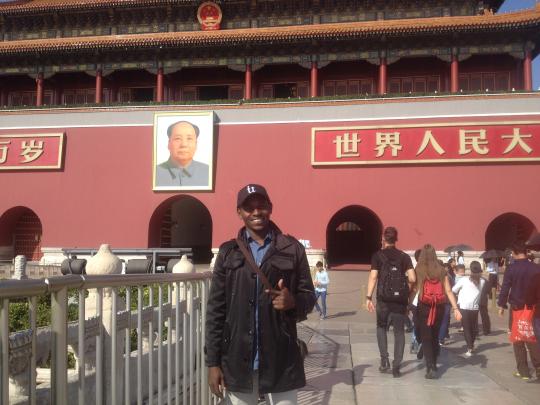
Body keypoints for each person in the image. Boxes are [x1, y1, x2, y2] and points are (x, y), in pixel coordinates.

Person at [205, 184, 316, 404]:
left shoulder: (292, 248)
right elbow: (216, 311)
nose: (256, 212)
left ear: (270, 208)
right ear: (239, 212)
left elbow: (309, 296)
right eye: (249, 207)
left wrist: (293, 302)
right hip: (237, 357)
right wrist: (213, 363)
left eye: (261, 206)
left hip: (281, 357)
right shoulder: (228, 252)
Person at [366, 226, 416, 378]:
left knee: (381, 328)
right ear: (396, 239)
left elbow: (373, 277)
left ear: (383, 239)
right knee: (399, 332)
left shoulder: (377, 256)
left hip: (383, 300)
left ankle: (384, 360)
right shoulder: (404, 257)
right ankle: (396, 367)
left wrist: (368, 297)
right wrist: (405, 290)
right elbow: (413, 278)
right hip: (400, 301)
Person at [414, 244, 461, 379]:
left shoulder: (419, 269)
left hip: (424, 305)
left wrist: (407, 304)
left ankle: (430, 366)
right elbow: (448, 291)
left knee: (426, 337)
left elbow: (414, 288)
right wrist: (456, 308)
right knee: (434, 336)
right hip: (439, 306)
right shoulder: (441, 270)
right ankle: (434, 363)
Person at [497, 241, 540, 381]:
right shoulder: (536, 267)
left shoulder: (511, 268)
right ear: (526, 252)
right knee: (532, 336)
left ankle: (524, 371)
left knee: (518, 338)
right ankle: (538, 367)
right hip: (533, 308)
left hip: (517, 308)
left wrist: (501, 305)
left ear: (514, 253)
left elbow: (505, 287)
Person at [155, 120, 210, 187]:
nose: (184, 145)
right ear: (169, 144)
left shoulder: (208, 172)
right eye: (178, 138)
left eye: (189, 139)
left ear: (196, 144)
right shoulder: (155, 173)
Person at [452, 261, 485, 356]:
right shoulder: (482, 281)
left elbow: (453, 290)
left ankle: (470, 347)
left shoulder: (464, 280)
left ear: (470, 270)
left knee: (466, 328)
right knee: (473, 327)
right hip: (475, 307)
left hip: (463, 306)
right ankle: (471, 345)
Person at [525, 270, 540, 350]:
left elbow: (529, 295)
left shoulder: (536, 277)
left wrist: (529, 305)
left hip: (538, 311)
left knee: (538, 333)